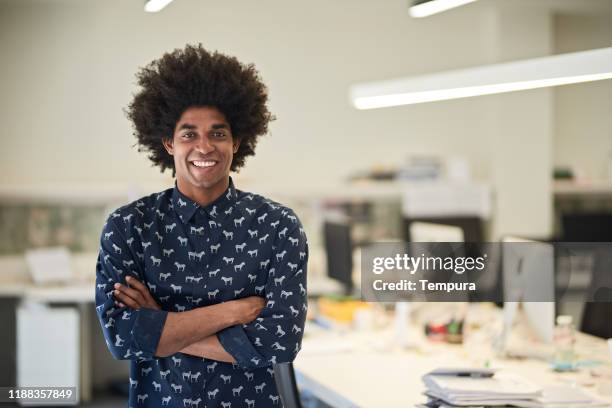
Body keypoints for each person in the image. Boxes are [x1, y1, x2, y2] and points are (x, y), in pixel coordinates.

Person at [94, 44, 308, 408]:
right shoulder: (129, 227)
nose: (204, 147)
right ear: (168, 142)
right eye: (189, 134)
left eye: (218, 133)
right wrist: (231, 313)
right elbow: (123, 337)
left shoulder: (278, 227)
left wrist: (161, 324)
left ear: (237, 141)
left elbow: (279, 343)